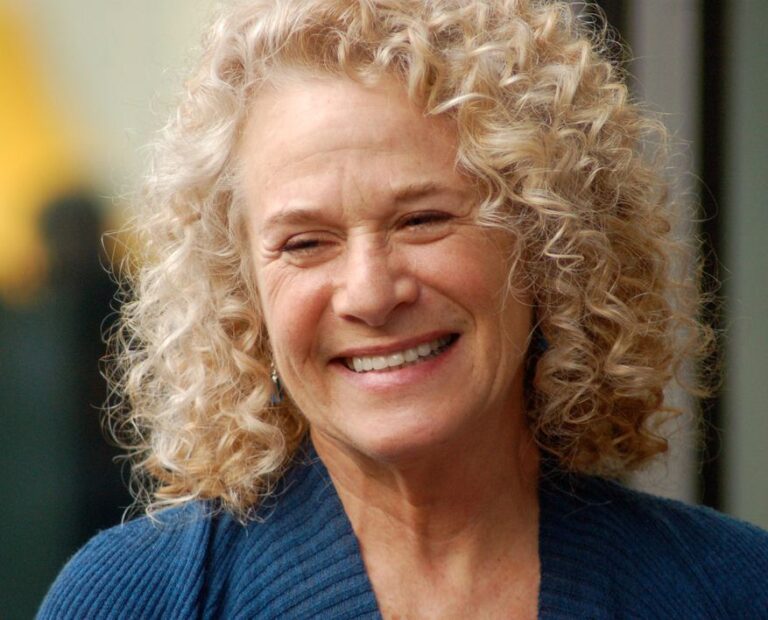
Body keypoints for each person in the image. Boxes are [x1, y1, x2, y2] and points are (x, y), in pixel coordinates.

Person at [39, 0, 768, 618]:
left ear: (551, 242)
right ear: (241, 295)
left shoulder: (732, 589)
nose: (371, 293)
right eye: (305, 242)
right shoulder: (138, 598)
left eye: (422, 220)